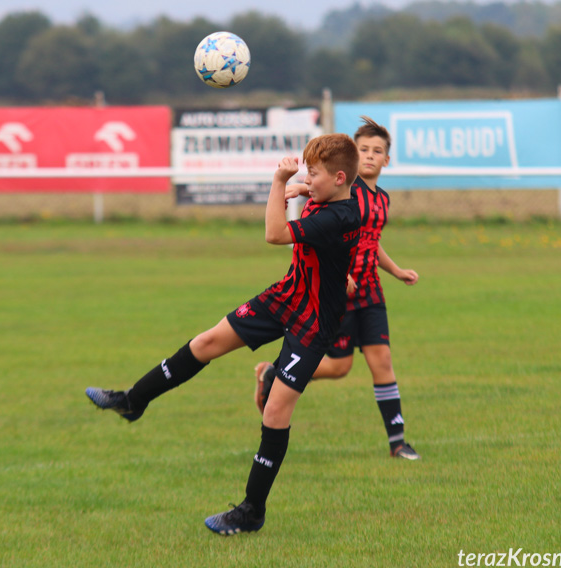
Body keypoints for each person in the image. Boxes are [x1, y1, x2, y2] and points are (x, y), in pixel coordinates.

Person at [85, 133, 361, 536]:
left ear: (339, 177)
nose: (308, 177)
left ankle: (252, 511)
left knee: (275, 410)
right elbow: (312, 199)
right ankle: (132, 400)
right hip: (286, 296)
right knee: (205, 343)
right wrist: (299, 185)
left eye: (314, 173)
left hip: (314, 319)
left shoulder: (338, 216)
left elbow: (274, 235)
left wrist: (278, 183)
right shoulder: (331, 199)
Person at [254, 116, 421, 460]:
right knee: (340, 366)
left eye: (378, 151)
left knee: (383, 361)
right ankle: (276, 374)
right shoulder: (345, 190)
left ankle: (398, 442)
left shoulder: (382, 199)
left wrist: (395, 270)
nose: (370, 156)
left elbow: (370, 243)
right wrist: (300, 187)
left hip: (370, 291)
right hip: (338, 294)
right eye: (363, 150)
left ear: (387, 159)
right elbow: (316, 216)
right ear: (353, 159)